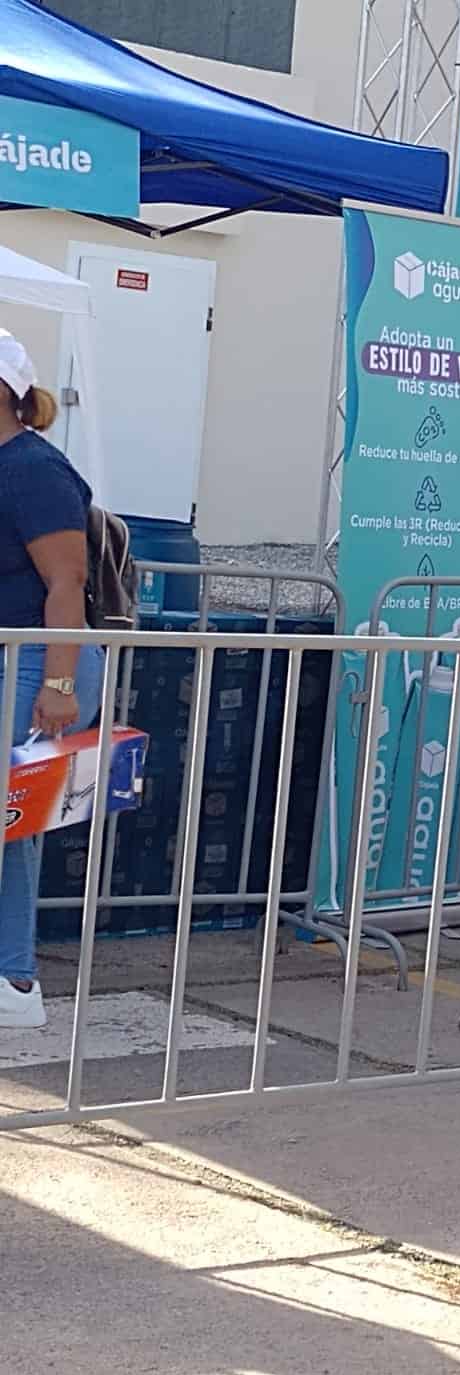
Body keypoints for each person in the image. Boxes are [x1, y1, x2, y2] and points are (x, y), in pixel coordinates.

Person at [0, 329, 104, 1029]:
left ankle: (15, 980)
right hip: (22, 660)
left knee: (11, 819)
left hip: (37, 662)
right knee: (10, 819)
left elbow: (67, 582)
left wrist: (59, 687)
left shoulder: (33, 469)